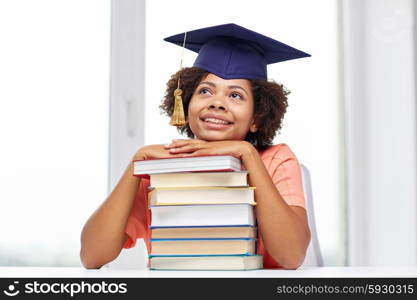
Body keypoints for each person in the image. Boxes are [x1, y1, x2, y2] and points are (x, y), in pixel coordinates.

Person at [80, 23, 311, 269]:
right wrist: (136, 164)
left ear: (256, 117)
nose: (217, 103)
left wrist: (247, 154)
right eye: (205, 91)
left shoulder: (276, 161)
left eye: (235, 95)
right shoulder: (160, 170)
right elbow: (92, 256)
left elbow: (292, 256)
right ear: (186, 103)